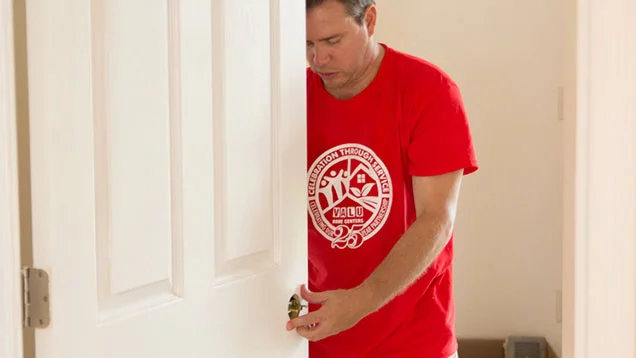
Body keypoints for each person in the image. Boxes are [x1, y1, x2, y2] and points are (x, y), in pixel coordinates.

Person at [286, 0, 478, 357]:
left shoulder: (430, 91)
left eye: (332, 41)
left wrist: (359, 302)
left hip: (414, 341)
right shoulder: (288, 97)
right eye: (308, 44)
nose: (318, 59)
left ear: (369, 20)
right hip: (313, 338)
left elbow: (436, 218)